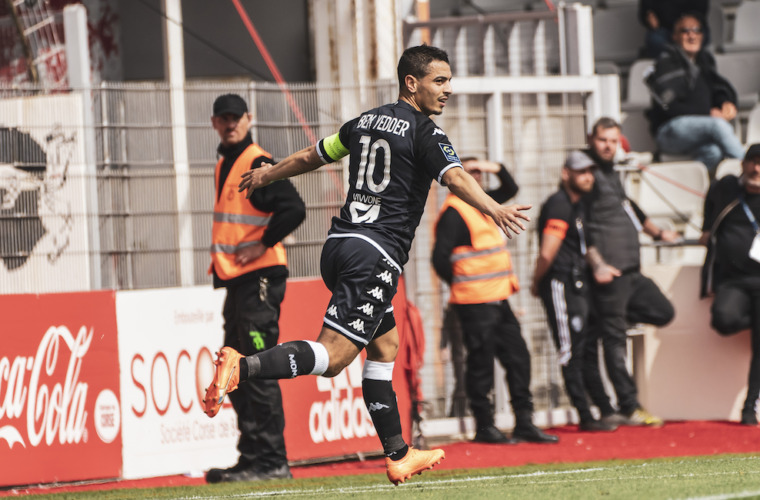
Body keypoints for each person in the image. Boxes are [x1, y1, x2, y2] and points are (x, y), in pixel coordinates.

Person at [203, 45, 532, 485]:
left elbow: (312, 156)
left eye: (449, 81)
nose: (448, 90)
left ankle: (398, 454)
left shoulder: (363, 123)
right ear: (411, 83)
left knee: (385, 347)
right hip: (374, 256)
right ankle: (241, 368)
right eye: (440, 81)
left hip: (340, 247)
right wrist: (493, 206)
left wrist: (268, 173)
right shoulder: (425, 133)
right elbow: (454, 177)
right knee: (336, 358)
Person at [204, 93, 306, 483]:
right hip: (240, 282)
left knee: (256, 369)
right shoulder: (226, 163)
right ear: (214, 123)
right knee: (234, 371)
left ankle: (271, 461)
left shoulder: (257, 161)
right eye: (223, 118)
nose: (230, 124)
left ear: (249, 119)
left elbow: (294, 208)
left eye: (236, 117)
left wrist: (261, 243)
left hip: (260, 280)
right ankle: (253, 457)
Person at [431, 157, 559, 445]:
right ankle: (485, 426)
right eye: (470, 171)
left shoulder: (483, 202)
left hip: (499, 299)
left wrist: (493, 166)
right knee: (481, 364)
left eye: (479, 171)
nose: (477, 176)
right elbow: (439, 259)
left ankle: (525, 422)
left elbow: (510, 186)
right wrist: (464, 283)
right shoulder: (453, 212)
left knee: (519, 358)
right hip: (474, 302)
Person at [583, 117, 677, 427]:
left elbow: (628, 207)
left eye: (613, 141)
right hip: (610, 276)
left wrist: (657, 232)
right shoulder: (586, 174)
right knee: (614, 341)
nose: (608, 146)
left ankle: (612, 318)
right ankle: (629, 405)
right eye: (603, 140)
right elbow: (579, 226)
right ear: (591, 140)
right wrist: (598, 265)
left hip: (631, 274)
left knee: (663, 312)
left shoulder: (610, 172)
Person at [531, 151, 616, 433]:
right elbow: (547, 252)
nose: (587, 177)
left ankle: (604, 409)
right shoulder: (559, 204)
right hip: (561, 283)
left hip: (579, 286)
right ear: (566, 174)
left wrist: (601, 266)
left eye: (590, 171)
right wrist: (536, 281)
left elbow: (585, 245)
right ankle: (585, 415)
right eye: (581, 172)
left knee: (588, 348)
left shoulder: (579, 203)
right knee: (571, 351)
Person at [701, 143, 760, 426]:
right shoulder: (725, 189)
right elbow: (708, 222)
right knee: (723, 319)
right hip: (734, 281)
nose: (757, 169)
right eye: (753, 162)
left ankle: (750, 407)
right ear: (743, 164)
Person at [645, 12, 743, 177]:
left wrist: (726, 102)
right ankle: (749, 167)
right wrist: (708, 114)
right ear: (675, 36)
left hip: (696, 132)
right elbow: (669, 106)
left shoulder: (705, 62)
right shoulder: (665, 63)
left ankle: (688, 189)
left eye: (696, 30)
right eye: (685, 31)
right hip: (669, 131)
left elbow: (718, 87)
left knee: (713, 152)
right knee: (718, 125)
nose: (692, 35)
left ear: (702, 35)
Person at [638, 0, 709, 59]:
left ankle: (687, 64)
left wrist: (685, 23)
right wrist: (648, 18)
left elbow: (701, 11)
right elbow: (645, 12)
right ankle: (669, 65)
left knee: (700, 36)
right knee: (655, 40)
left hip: (689, 24)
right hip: (664, 28)